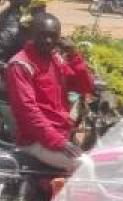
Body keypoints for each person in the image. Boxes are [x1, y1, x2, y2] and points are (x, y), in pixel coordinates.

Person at [5, 13, 94, 171]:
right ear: (32, 34)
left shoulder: (55, 60)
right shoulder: (21, 65)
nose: (48, 41)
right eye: (42, 35)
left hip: (59, 134)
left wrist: (74, 56)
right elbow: (28, 112)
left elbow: (85, 87)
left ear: (59, 38)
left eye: (53, 36)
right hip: (36, 140)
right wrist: (58, 142)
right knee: (84, 165)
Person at [0, 0, 34, 139]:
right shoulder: (14, 16)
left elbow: (3, 44)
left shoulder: (13, 22)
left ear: (17, 0)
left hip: (6, 71)